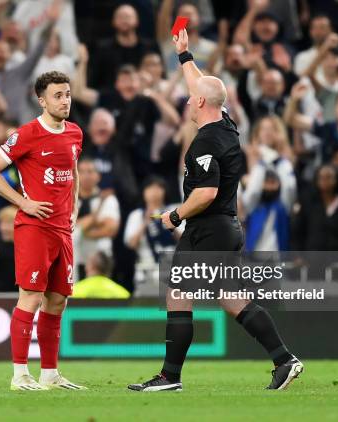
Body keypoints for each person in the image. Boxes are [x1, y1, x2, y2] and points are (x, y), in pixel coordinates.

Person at [129, 29, 302, 392]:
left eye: (193, 100)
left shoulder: (206, 140)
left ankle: (169, 377)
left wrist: (175, 215)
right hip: (224, 227)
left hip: (207, 227)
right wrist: (185, 56)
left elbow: (205, 193)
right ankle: (284, 360)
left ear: (202, 105)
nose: (189, 102)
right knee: (231, 297)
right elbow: (205, 89)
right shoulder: (227, 125)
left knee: (178, 292)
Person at [0, 71, 86, 391]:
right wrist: (22, 203)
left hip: (62, 230)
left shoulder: (75, 133)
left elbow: (73, 172)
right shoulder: (27, 134)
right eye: (58, 95)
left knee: (57, 301)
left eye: (67, 94)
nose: (65, 100)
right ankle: (19, 374)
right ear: (41, 100)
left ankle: (50, 374)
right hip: (35, 227)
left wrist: (75, 208)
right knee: (31, 296)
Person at [73, 157, 120, 281]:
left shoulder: (108, 199)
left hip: (101, 261)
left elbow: (111, 229)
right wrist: (96, 220)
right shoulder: (70, 201)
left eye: (90, 171)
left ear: (98, 176)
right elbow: (68, 228)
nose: (86, 176)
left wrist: (82, 231)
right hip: (76, 260)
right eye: (81, 172)